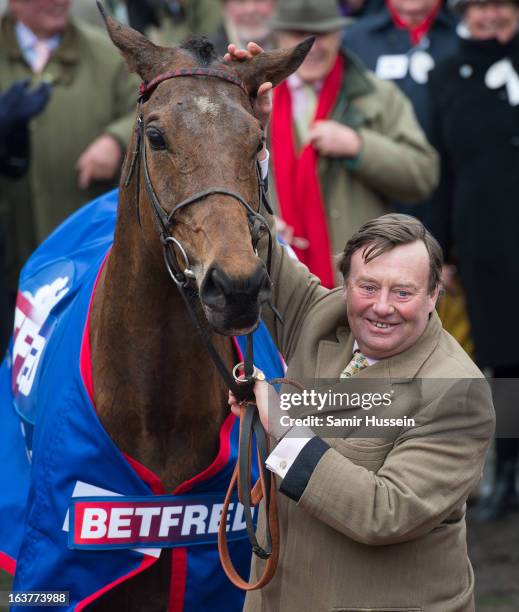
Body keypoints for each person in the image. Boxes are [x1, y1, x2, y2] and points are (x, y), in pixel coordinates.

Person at [224, 43, 494, 610]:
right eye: (367, 287)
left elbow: (383, 512)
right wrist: (250, 130)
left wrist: (283, 424)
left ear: (433, 298)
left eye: (403, 292)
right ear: (344, 284)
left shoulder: (459, 393)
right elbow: (255, 240)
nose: (381, 306)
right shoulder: (322, 316)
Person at [267, 0, 439, 288]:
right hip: (279, 280)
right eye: (299, 35)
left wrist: (359, 147)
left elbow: (423, 175)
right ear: (279, 37)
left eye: (322, 35)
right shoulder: (257, 100)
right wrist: (265, 223)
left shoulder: (378, 95)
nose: (312, 46)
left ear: (339, 35)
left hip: (362, 278)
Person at [428, 0, 519, 521]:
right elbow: (438, 167)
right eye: (480, 6)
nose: (491, 16)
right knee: (504, 359)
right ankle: (505, 474)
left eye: (501, 5)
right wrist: (438, 249)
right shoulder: (447, 73)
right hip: (486, 240)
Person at [0, 0, 138, 328]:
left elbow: (149, 106)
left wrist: (116, 139)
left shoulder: (107, 56)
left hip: (87, 252)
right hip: (9, 256)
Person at [211, 0, 277, 56]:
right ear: (225, 8)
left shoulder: (286, 50)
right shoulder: (206, 58)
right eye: (241, 1)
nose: (250, 9)